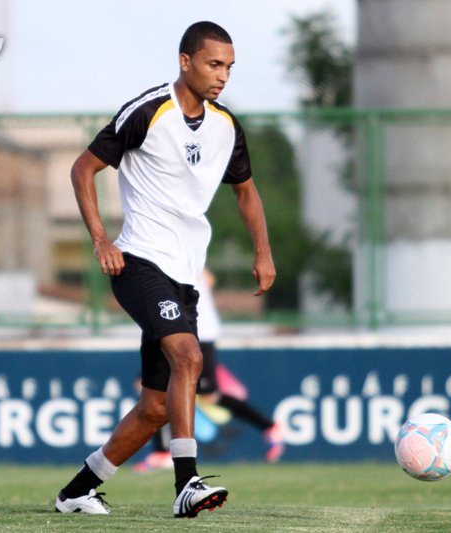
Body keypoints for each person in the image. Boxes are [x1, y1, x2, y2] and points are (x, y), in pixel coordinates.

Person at [54, 21, 275, 518]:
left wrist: (263, 252)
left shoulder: (225, 126)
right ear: (185, 61)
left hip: (185, 276)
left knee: (156, 407)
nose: (223, 76)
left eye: (230, 68)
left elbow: (245, 191)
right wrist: (99, 240)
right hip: (138, 261)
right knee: (189, 356)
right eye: (214, 64)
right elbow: (82, 168)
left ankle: (76, 492)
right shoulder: (148, 111)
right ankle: (186, 483)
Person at [134, 268, 284, 473]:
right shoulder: (180, 258)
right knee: (151, 385)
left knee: (206, 394)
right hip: (181, 331)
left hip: (196, 333)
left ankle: (269, 426)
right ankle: (162, 452)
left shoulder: (175, 259)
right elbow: (209, 279)